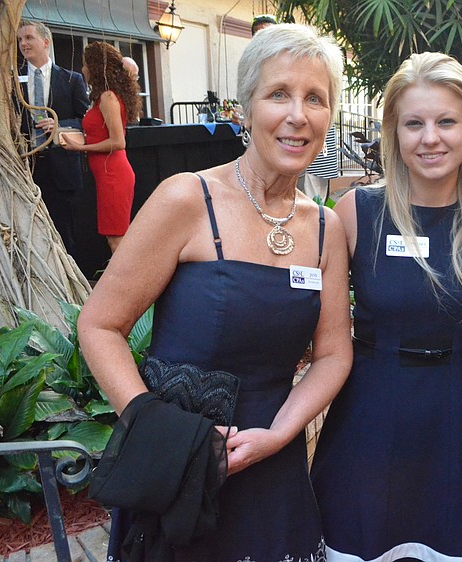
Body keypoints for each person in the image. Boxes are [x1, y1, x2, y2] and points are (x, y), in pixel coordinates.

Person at [77, 24, 351, 561]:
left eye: (315, 98)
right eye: (279, 94)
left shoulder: (326, 228)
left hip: (274, 469)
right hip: (178, 470)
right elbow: (100, 324)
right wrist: (154, 427)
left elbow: (334, 353)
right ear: (246, 108)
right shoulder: (186, 199)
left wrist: (277, 434)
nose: (298, 114)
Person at [310, 51, 462, 562]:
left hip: (452, 422)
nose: (430, 137)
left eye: (446, 121)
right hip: (368, 419)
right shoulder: (356, 211)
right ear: (393, 132)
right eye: (413, 123)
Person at [17, 20, 88, 255]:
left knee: (65, 232)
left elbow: (85, 120)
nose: (23, 44)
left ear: (46, 42)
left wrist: (59, 125)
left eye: (28, 38)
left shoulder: (72, 79)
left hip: (63, 167)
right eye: (20, 40)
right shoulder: (13, 80)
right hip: (25, 166)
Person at [62, 42, 140, 254]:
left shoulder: (107, 97)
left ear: (96, 67)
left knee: (117, 239)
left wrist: (80, 148)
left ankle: (129, 285)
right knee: (115, 236)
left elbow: (118, 142)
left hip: (113, 173)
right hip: (107, 173)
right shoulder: (102, 96)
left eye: (86, 64)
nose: (83, 69)